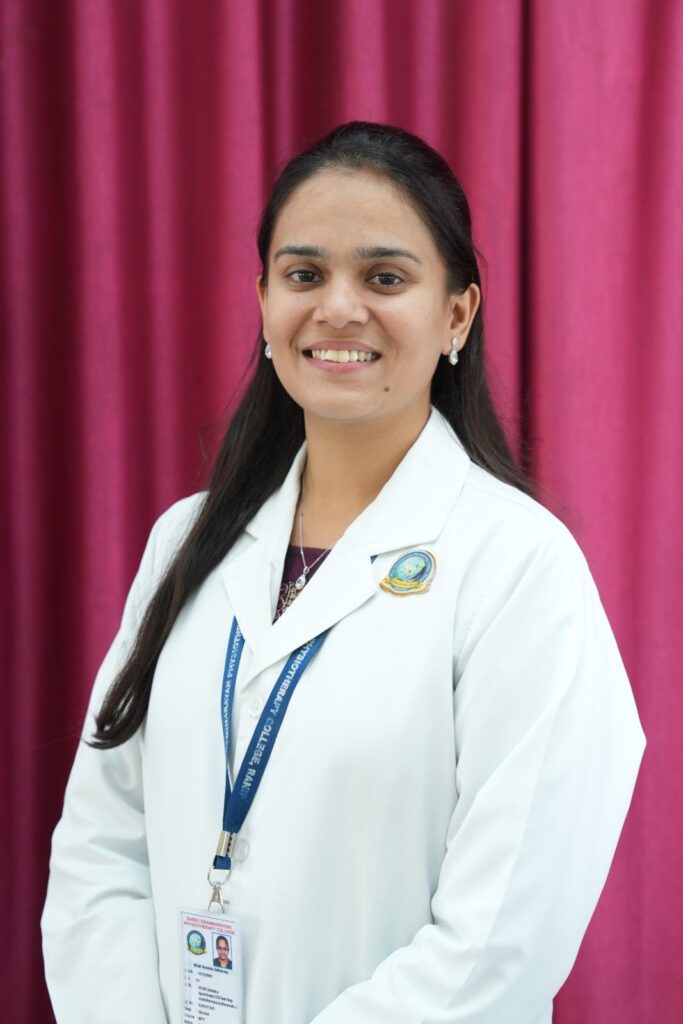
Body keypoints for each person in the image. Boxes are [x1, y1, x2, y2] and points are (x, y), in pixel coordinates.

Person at [41, 121, 646, 1024]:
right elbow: (101, 848)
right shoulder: (184, 544)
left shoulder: (518, 566)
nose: (337, 308)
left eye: (384, 278)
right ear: (263, 301)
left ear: (457, 315)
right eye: (303, 274)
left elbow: (498, 941)